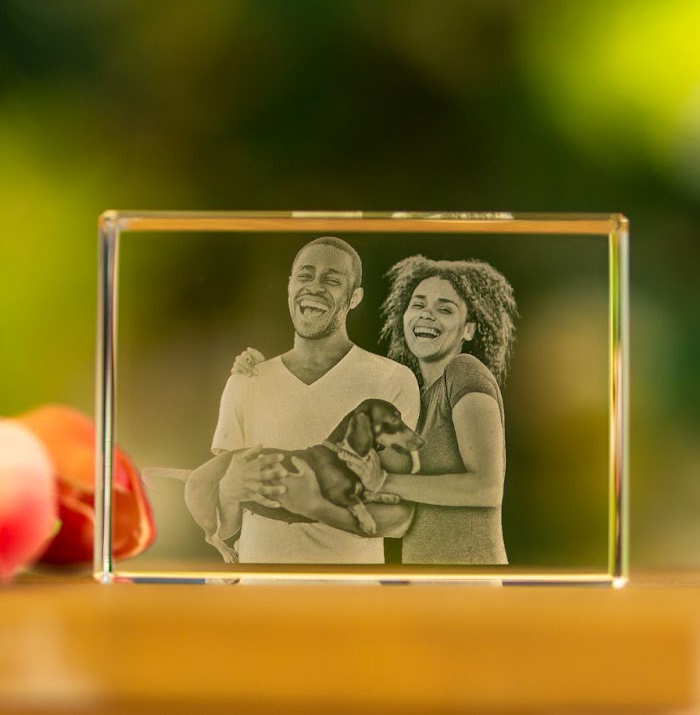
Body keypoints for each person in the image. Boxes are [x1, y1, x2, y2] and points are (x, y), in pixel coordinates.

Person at [186, 237, 421, 564]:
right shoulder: (246, 381)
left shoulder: (390, 380)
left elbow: (401, 519)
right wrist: (228, 491)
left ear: (354, 298)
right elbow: (226, 529)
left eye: (332, 280)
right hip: (262, 598)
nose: (314, 287)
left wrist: (314, 505)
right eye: (305, 276)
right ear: (289, 286)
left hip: (355, 599)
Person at [375, 256, 516, 565]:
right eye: (418, 305)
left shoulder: (464, 372)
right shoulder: (415, 396)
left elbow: (487, 488)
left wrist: (384, 482)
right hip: (425, 588)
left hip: (469, 591)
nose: (427, 315)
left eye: (444, 309)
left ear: (468, 329)